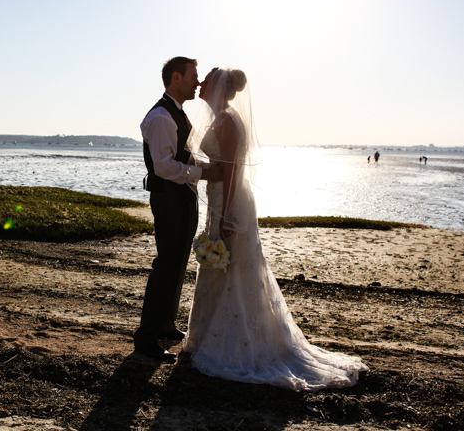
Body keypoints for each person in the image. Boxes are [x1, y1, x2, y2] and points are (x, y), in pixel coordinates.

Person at [183, 67, 368, 389]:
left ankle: (235, 341)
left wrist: (226, 216)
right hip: (220, 200)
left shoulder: (227, 121)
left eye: (207, 80)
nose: (200, 83)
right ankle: (206, 335)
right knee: (226, 267)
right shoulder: (220, 120)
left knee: (234, 268)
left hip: (229, 203)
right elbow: (216, 167)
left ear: (218, 88)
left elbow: (233, 171)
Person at [136, 57, 223, 362]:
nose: (197, 82)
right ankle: (145, 338)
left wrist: (205, 168)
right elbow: (163, 167)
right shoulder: (161, 116)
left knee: (177, 263)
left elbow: (183, 158)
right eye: (193, 77)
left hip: (182, 197)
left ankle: (165, 324)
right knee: (166, 265)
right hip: (169, 199)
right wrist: (203, 174)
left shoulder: (177, 113)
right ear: (176, 78)